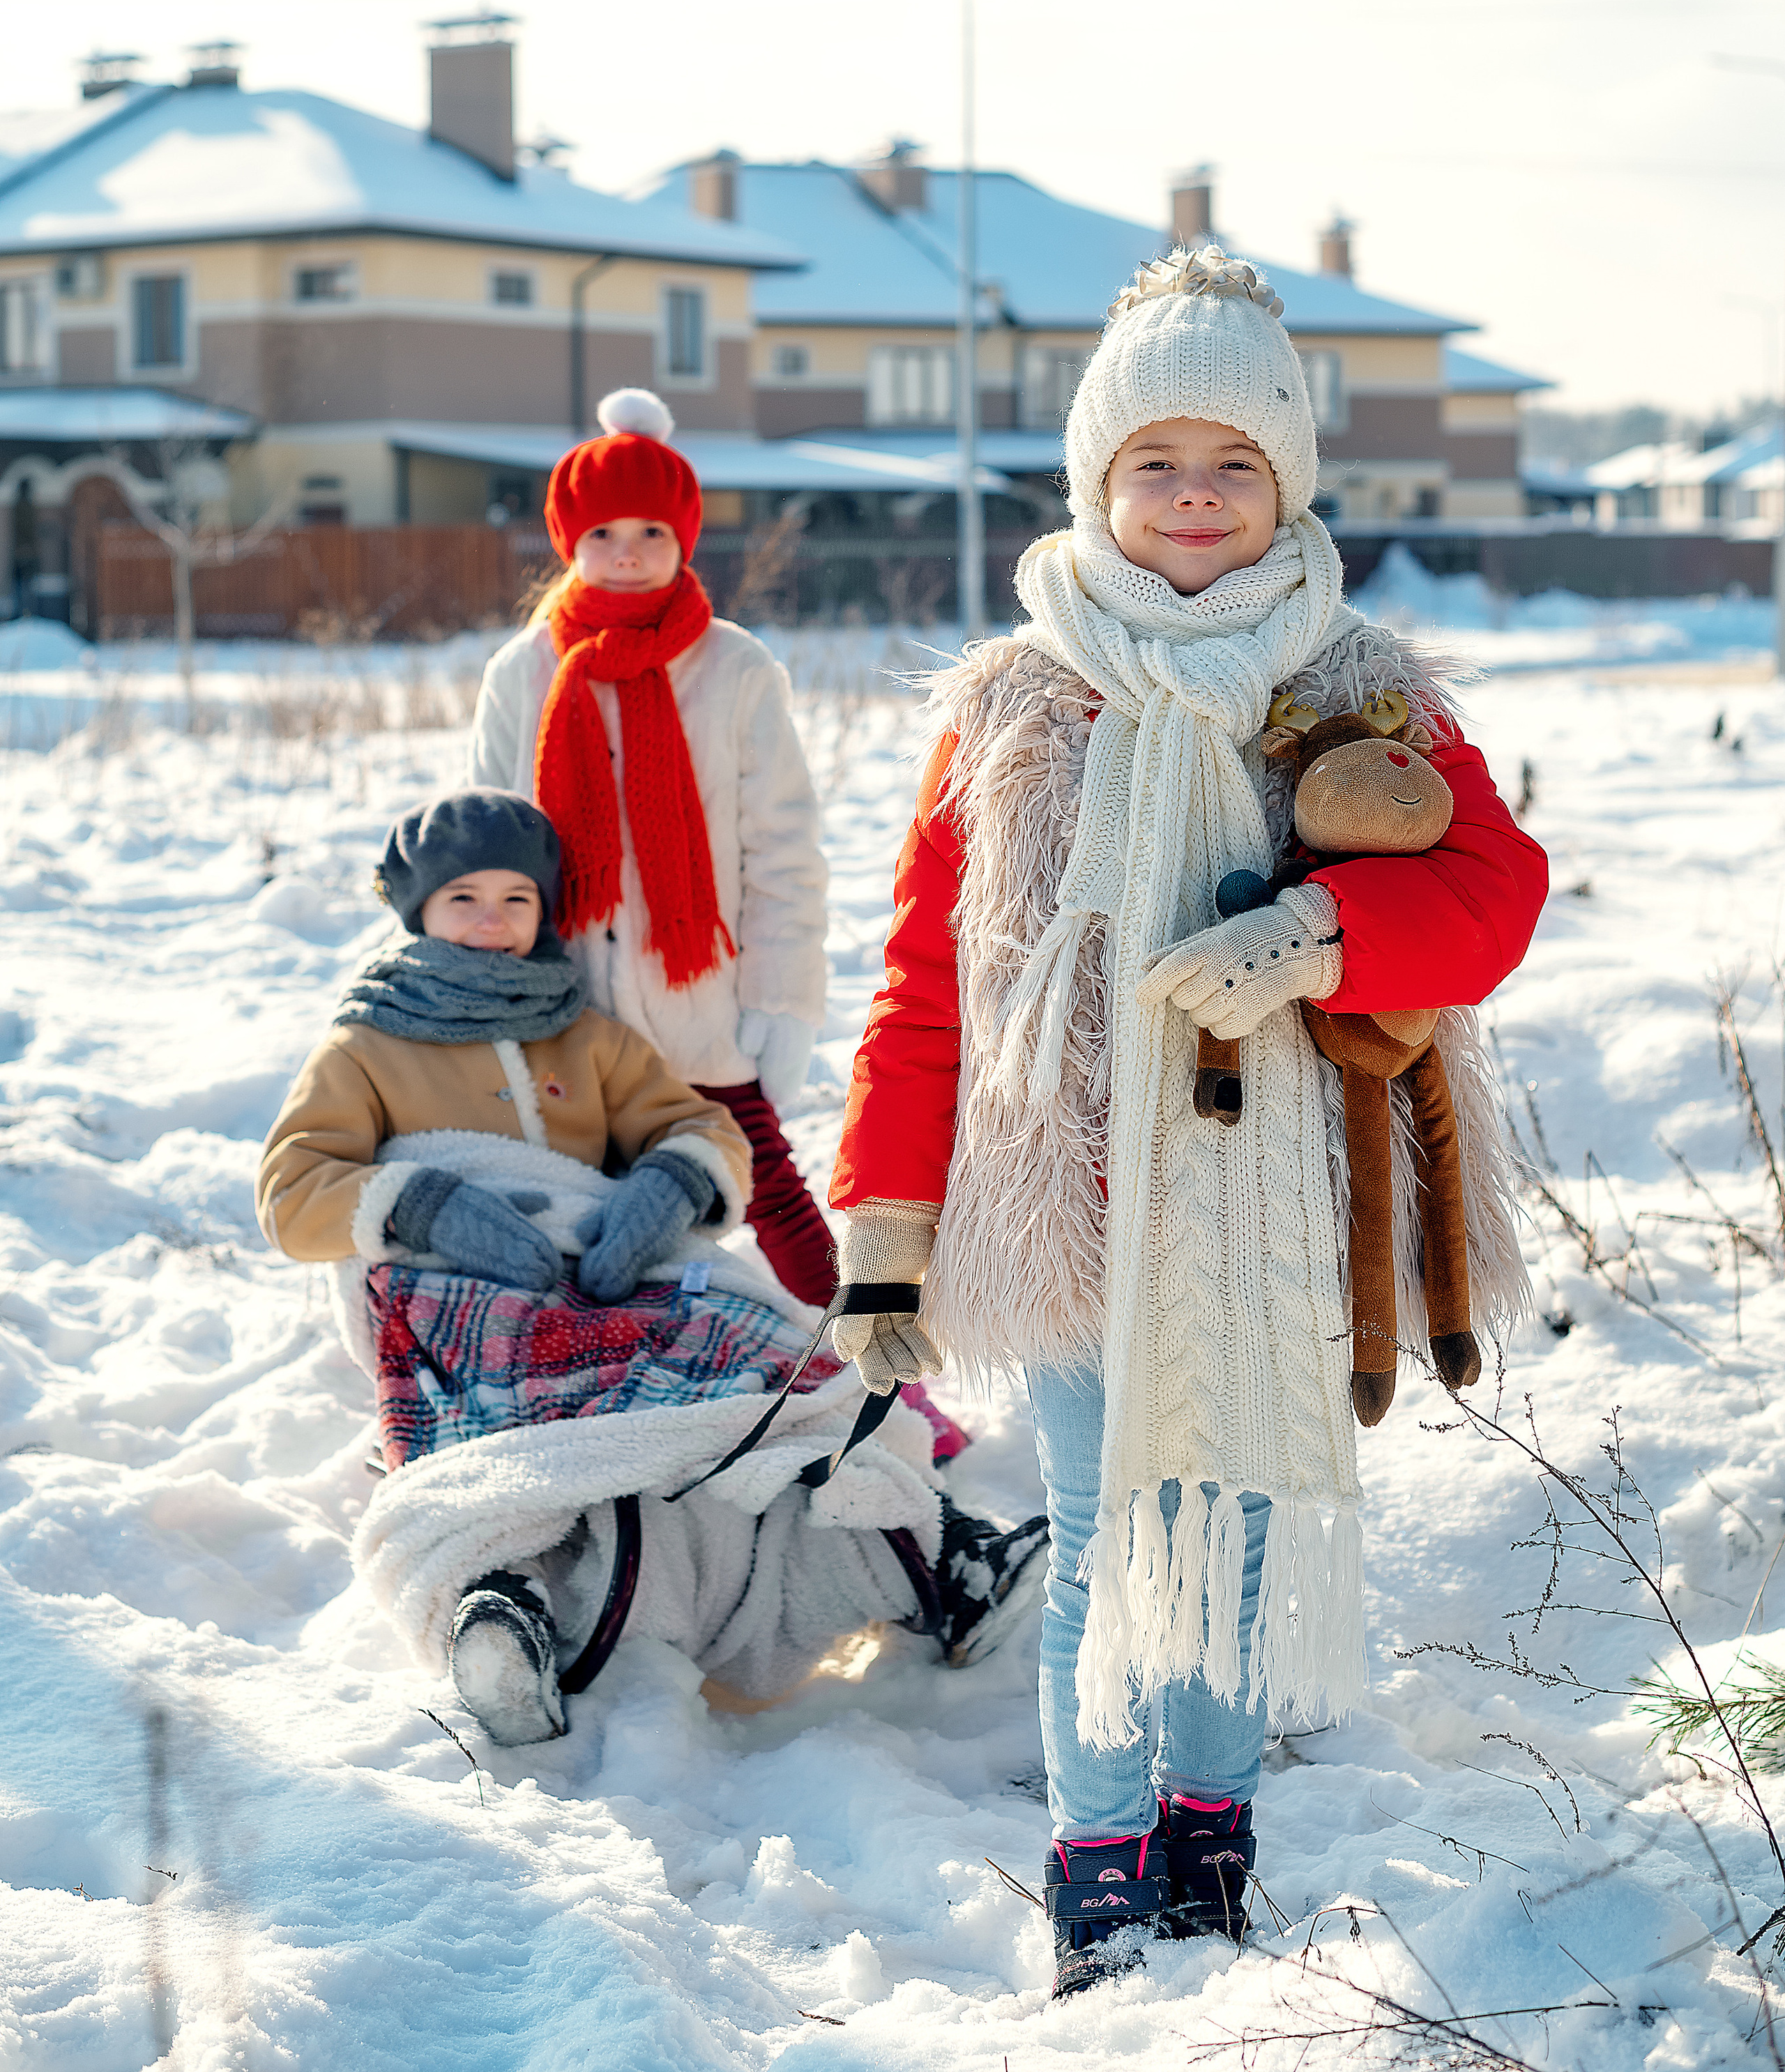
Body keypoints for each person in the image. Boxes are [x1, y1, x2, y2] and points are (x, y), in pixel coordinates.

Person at [825, 247, 1549, 1999]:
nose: (1194, 497)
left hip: (1284, 1191)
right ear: (1096, 482)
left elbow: (1489, 889)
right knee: (1096, 1530)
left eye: (1232, 464)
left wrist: (1318, 933)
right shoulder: (1012, 706)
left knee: (1225, 1525)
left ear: (1285, 482)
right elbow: (929, 987)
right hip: (1080, 1203)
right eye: (1155, 464)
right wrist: (884, 1229)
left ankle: (1207, 1827)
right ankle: (1091, 1857)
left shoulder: (1356, 686)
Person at [258, 790, 1047, 1746]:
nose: (493, 921)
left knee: (781, 1363)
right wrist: (427, 1205)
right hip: (449, 1280)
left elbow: (697, 1126)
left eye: (517, 899)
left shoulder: (582, 1032)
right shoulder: (368, 1042)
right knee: (496, 1412)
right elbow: (295, 1186)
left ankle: (935, 1560)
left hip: (604, 1265)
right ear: (417, 909)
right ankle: (505, 1607)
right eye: (464, 897)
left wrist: (669, 1187)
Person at [466, 388, 838, 1313]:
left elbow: (783, 852)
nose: (627, 552)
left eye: (651, 532)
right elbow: (486, 845)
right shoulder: (525, 671)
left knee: (774, 1200)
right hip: (567, 1012)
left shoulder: (735, 668)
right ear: (569, 542)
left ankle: (878, 1384)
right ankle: (595, 1383)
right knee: (584, 1221)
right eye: (602, 534)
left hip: (702, 1009)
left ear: (685, 541)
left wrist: (779, 1003)